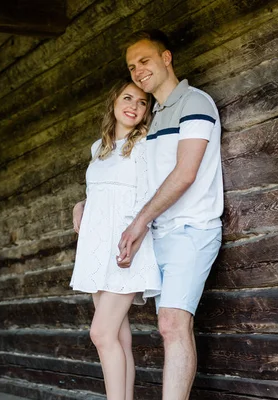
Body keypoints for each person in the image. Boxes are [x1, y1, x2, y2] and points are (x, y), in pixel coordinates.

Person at [74, 30, 223, 400]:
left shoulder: (195, 103)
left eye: (145, 61)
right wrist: (82, 206)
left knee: (169, 324)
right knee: (134, 331)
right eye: (131, 67)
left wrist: (138, 222)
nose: (138, 71)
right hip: (153, 234)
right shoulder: (154, 121)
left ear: (166, 57)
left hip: (189, 229)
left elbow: (185, 173)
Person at [70, 79, 162, 400]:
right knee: (119, 339)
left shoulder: (146, 144)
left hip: (128, 246)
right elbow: (97, 192)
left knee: (101, 333)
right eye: (128, 98)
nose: (134, 107)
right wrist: (79, 205)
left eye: (142, 103)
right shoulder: (99, 148)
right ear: (113, 102)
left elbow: (150, 196)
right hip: (97, 250)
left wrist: (136, 235)